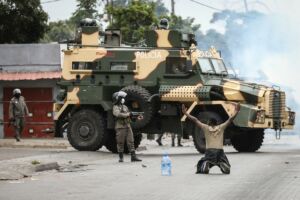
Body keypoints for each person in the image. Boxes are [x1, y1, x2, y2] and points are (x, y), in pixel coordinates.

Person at [182, 103, 240, 174]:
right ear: (216, 123)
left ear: (209, 123)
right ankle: (222, 163)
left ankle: (206, 163)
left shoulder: (206, 128)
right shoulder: (221, 127)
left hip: (210, 151)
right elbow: (230, 119)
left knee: (202, 163)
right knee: (227, 168)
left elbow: (195, 120)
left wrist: (186, 113)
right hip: (220, 152)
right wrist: (236, 111)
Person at [112, 91, 142, 163]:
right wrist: (128, 114)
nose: (123, 99)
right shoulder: (115, 107)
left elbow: (130, 116)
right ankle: (121, 157)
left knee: (131, 141)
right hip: (120, 127)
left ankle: (133, 157)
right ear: (118, 99)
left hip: (128, 126)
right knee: (120, 142)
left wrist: (135, 117)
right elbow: (118, 114)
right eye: (121, 98)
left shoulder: (125, 107)